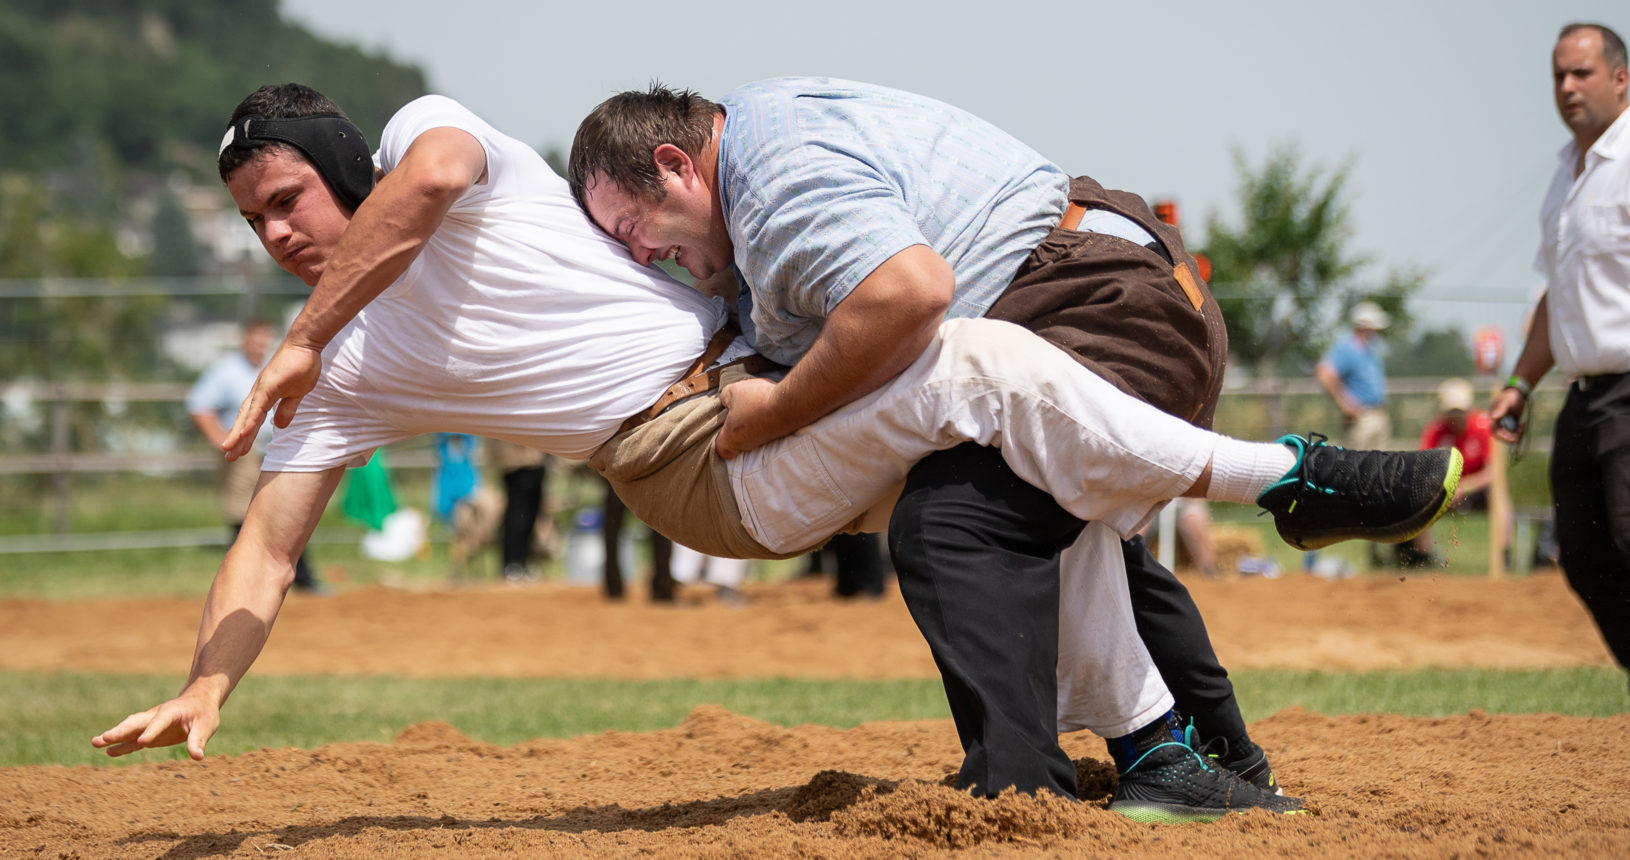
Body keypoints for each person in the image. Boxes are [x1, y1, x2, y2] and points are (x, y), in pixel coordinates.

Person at [92, 85, 1457, 824]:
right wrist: (206, 687)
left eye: (287, 200)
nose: (277, 234)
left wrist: (305, 328)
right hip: (696, 463)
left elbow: (433, 181)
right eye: (253, 221)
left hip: (753, 400)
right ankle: (1287, 477)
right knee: (977, 369)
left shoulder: (430, 147)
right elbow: (268, 543)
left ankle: (1177, 754)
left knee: (1032, 475)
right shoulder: (348, 370)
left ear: (347, 168)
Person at [567, 79, 1264, 802]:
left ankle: (1023, 797)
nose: (641, 256)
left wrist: (771, 413)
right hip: (1113, 282)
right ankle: (1217, 765)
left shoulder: (771, 182)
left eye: (630, 229)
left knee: (954, 523)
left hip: (1100, 300)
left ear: (677, 165)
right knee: (1070, 526)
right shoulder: (762, 149)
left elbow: (909, 291)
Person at [1493, 22, 1630, 675]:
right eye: (1558, 76)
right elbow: (1556, 296)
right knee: (1580, 550)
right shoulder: (1565, 178)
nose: (1568, 87)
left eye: (1582, 73)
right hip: (1584, 398)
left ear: (1621, 78)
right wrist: (1519, 385)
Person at [186, 317, 321, 592]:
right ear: (245, 340)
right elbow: (199, 405)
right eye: (256, 339)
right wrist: (221, 440)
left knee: (288, 512)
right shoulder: (226, 370)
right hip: (244, 452)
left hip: (276, 449)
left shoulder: (275, 363)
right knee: (241, 516)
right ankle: (243, 583)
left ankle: (303, 580)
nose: (261, 345)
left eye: (265, 339)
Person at [1399, 378, 1504, 568]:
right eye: (1451, 411)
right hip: (1443, 490)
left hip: (1477, 490)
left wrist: (1465, 487)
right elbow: (1421, 469)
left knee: (1501, 495)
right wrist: (1445, 488)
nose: (1456, 417)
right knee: (1418, 497)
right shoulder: (1436, 430)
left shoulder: (1483, 426)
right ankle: (1424, 559)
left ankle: (1504, 556)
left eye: (1460, 411)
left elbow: (1493, 472)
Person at [1316, 301, 1392, 451]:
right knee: (1358, 468)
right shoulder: (1347, 348)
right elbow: (1324, 374)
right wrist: (1344, 404)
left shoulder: (1369, 350)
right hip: (1361, 418)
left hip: (1377, 414)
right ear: (1364, 327)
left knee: (1381, 468)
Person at [486, 438, 550, 582]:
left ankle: (525, 560)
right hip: (515, 465)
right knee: (517, 516)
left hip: (535, 462)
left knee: (531, 517)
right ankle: (512, 563)